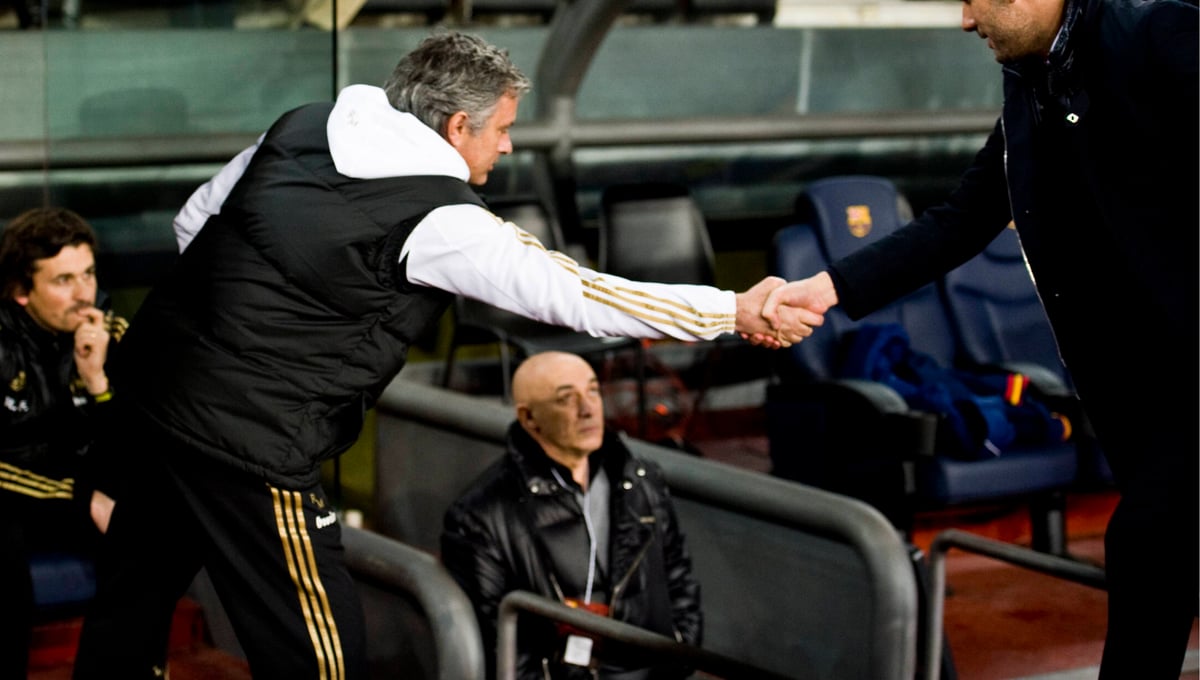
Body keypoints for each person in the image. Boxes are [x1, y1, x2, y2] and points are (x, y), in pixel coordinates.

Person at [72, 30, 815, 679]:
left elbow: (194, 220)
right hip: (254, 441)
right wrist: (732, 309)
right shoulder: (443, 219)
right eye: (503, 129)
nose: (509, 146)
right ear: (459, 125)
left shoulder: (304, 123)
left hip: (156, 394)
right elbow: (577, 295)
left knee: (129, 607)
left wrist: (230, 334)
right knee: (321, 656)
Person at [759, 1, 1198, 677]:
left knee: (1146, 553)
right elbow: (961, 220)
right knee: (1159, 561)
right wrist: (827, 289)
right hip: (1137, 401)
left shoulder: (1162, 33)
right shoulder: (1032, 81)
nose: (965, 20)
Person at [441, 351, 702, 680]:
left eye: (592, 390)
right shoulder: (480, 516)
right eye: (566, 398)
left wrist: (679, 655)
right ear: (529, 418)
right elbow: (500, 648)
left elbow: (680, 581)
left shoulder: (641, 480)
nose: (588, 408)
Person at [0, 207, 125, 678]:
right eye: (63, 280)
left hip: (80, 487)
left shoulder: (111, 334)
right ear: (21, 291)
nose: (83, 294)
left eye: (88, 274)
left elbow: (135, 446)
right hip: (15, 498)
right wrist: (80, 498)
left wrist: (97, 382)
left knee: (155, 518)